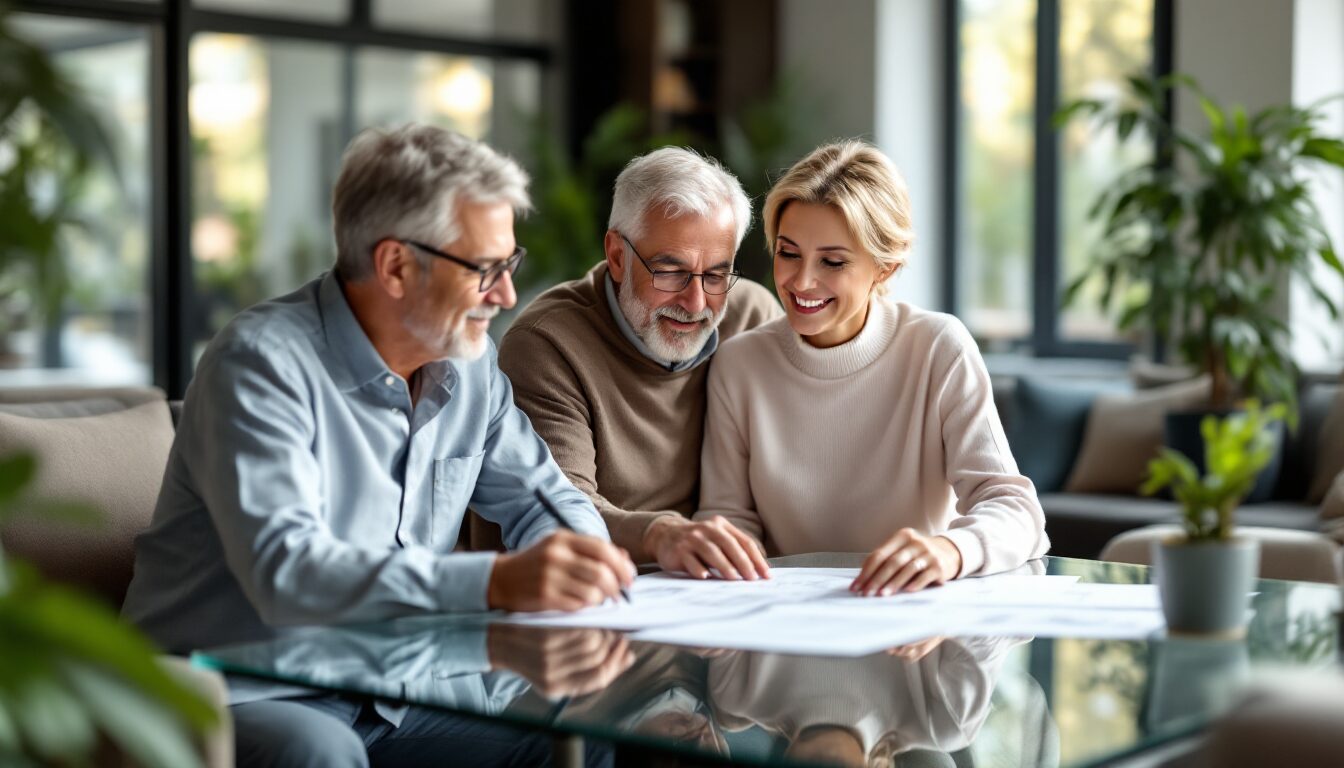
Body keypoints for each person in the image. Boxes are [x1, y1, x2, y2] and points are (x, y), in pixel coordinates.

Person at [121, 124, 633, 765]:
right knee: (318, 750)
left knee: (585, 729)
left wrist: (583, 559)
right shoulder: (259, 364)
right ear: (395, 266)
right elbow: (288, 572)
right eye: (485, 270)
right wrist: (497, 581)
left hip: (401, 687)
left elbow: (544, 499)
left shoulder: (471, 363)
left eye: (510, 265)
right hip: (244, 689)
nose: (506, 295)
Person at [695, 140, 1048, 596]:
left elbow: (1016, 510)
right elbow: (727, 520)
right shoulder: (739, 364)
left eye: (832, 262)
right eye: (788, 253)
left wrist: (950, 550)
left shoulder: (938, 348)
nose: (801, 281)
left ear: (885, 268)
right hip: (783, 617)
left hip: (913, 617)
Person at [494, 147, 781, 580]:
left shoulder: (751, 318)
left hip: (715, 589)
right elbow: (551, 510)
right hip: (593, 593)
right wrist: (660, 534)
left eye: (716, 275)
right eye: (670, 272)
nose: (696, 302)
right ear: (616, 256)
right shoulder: (547, 344)